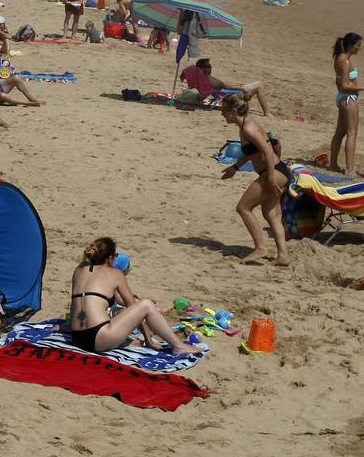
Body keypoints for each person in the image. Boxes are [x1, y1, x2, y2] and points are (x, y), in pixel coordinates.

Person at [68, 237, 200, 355]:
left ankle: (126, 344)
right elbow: (134, 307)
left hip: (77, 338)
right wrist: (148, 339)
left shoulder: (79, 270)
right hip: (98, 337)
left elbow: (77, 306)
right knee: (146, 304)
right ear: (110, 258)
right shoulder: (115, 273)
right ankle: (179, 346)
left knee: (132, 339)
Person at [220, 93, 291, 266]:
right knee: (271, 214)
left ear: (234, 111)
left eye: (224, 111)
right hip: (277, 171)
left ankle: (261, 248)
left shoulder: (248, 128)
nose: (222, 114)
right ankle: (283, 255)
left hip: (272, 172)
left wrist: (271, 179)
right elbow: (253, 152)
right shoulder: (246, 125)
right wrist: (235, 167)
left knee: (243, 208)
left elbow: (267, 151)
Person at [330, 32, 364, 175]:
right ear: (350, 46)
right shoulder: (346, 61)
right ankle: (350, 169)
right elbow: (345, 85)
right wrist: (363, 88)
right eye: (358, 46)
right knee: (352, 133)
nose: (359, 48)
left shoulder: (339, 58)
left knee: (340, 132)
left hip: (342, 98)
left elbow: (338, 82)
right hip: (348, 99)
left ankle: (333, 163)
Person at [180, 58, 271, 115]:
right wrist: (241, 87)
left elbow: (222, 85)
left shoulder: (204, 78)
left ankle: (267, 112)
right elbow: (222, 85)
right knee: (259, 86)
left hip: (228, 93)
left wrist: (237, 85)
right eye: (208, 66)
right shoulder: (207, 78)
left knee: (258, 84)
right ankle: (267, 112)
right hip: (232, 96)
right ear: (202, 68)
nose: (211, 67)